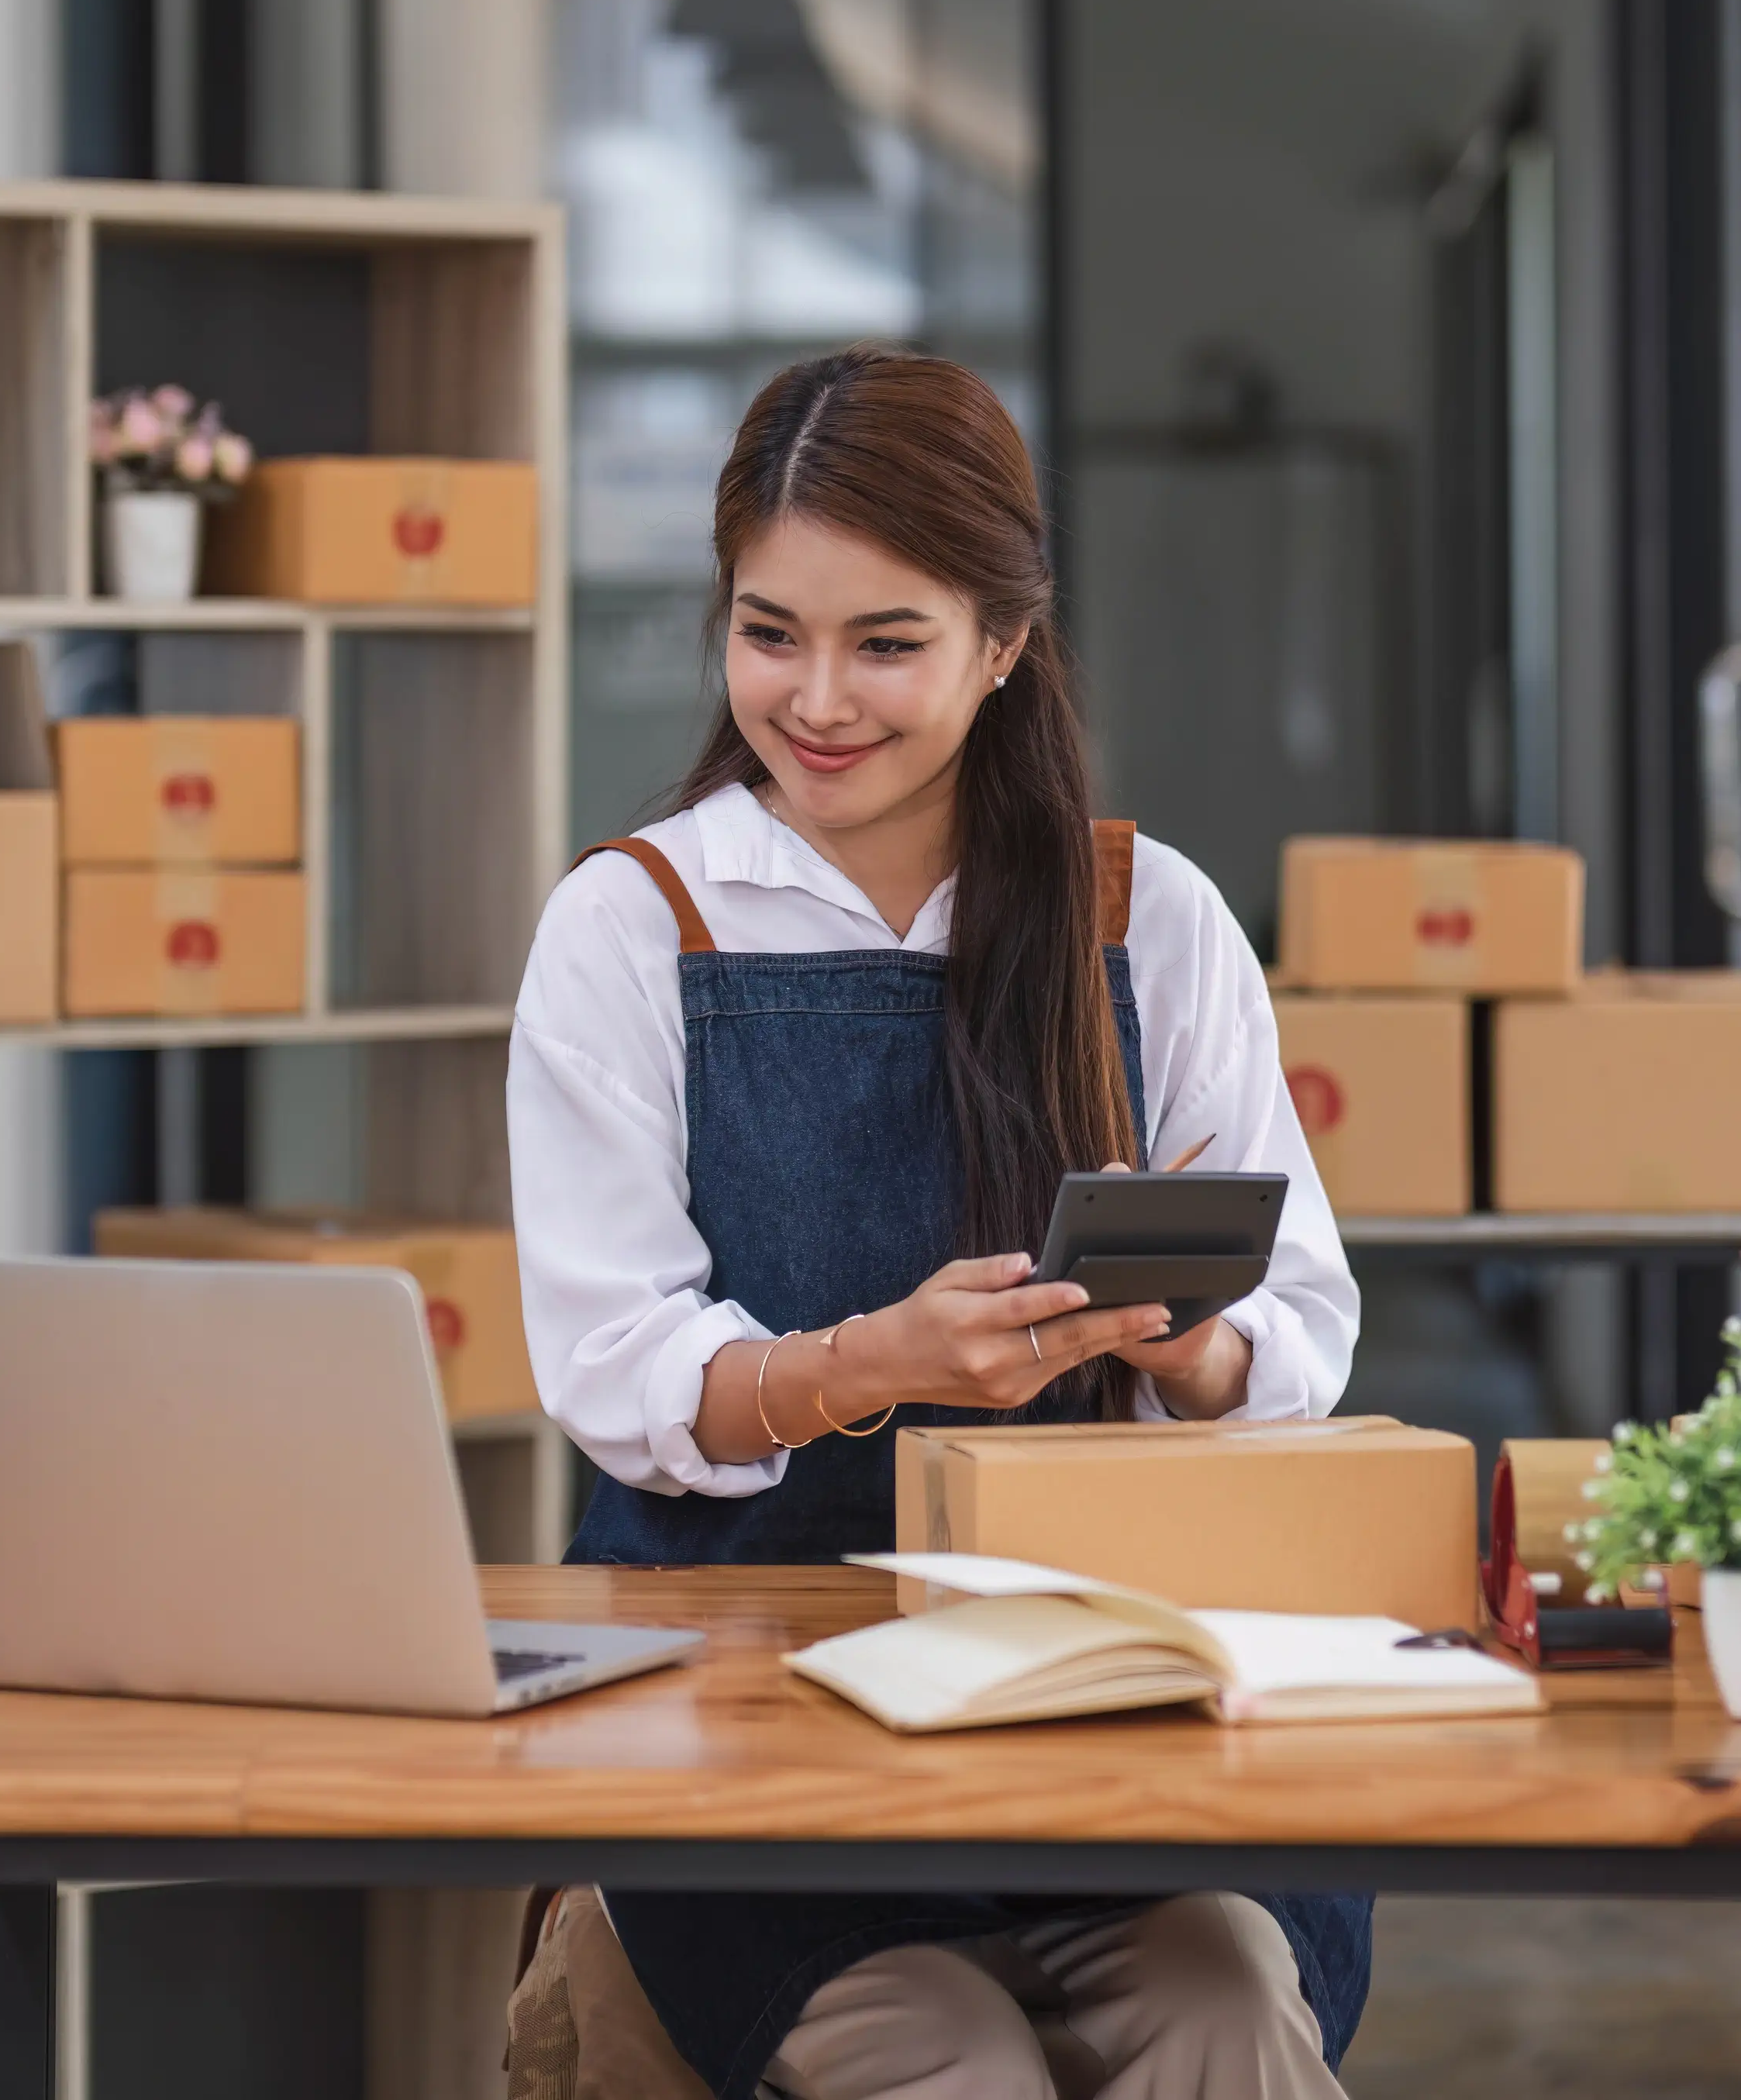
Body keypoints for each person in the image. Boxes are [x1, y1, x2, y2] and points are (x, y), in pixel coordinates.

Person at [508, 347, 1369, 2100]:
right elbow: (611, 1371)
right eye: (768, 632)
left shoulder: (1153, 918)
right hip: (750, 1698)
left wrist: (1186, 1342)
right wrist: (862, 1367)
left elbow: (1302, 1334)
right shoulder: (633, 923)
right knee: (943, 2050)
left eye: (885, 643)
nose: (815, 698)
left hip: (1098, 1690)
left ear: (1002, 644)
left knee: (1227, 2011)